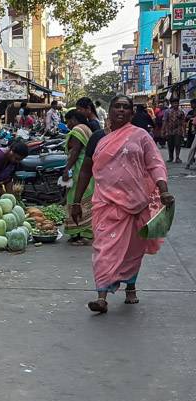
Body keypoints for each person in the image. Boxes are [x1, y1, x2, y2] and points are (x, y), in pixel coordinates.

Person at [71, 95, 174, 313]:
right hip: (106, 204)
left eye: (125, 107)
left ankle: (131, 287)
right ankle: (102, 296)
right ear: (109, 111)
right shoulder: (98, 137)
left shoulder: (141, 136)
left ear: (131, 112)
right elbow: (86, 170)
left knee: (132, 250)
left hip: (136, 203)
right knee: (104, 248)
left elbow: (155, 164)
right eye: (116, 106)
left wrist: (163, 191)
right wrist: (76, 201)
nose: (120, 110)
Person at [61, 109, 94, 246]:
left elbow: (75, 151)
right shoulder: (87, 129)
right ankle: (86, 232)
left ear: (73, 119)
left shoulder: (77, 131)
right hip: (87, 168)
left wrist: (67, 168)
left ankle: (77, 233)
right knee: (87, 200)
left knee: (74, 199)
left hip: (79, 169)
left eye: (68, 121)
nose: (67, 125)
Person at [162, 97, 186, 162]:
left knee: (178, 144)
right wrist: (163, 130)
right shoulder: (167, 111)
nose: (176, 104)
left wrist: (184, 132)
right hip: (169, 130)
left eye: (177, 103)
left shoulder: (181, 112)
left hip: (178, 130)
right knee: (170, 144)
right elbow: (164, 121)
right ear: (171, 104)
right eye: (174, 103)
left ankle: (177, 157)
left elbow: (183, 122)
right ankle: (171, 157)